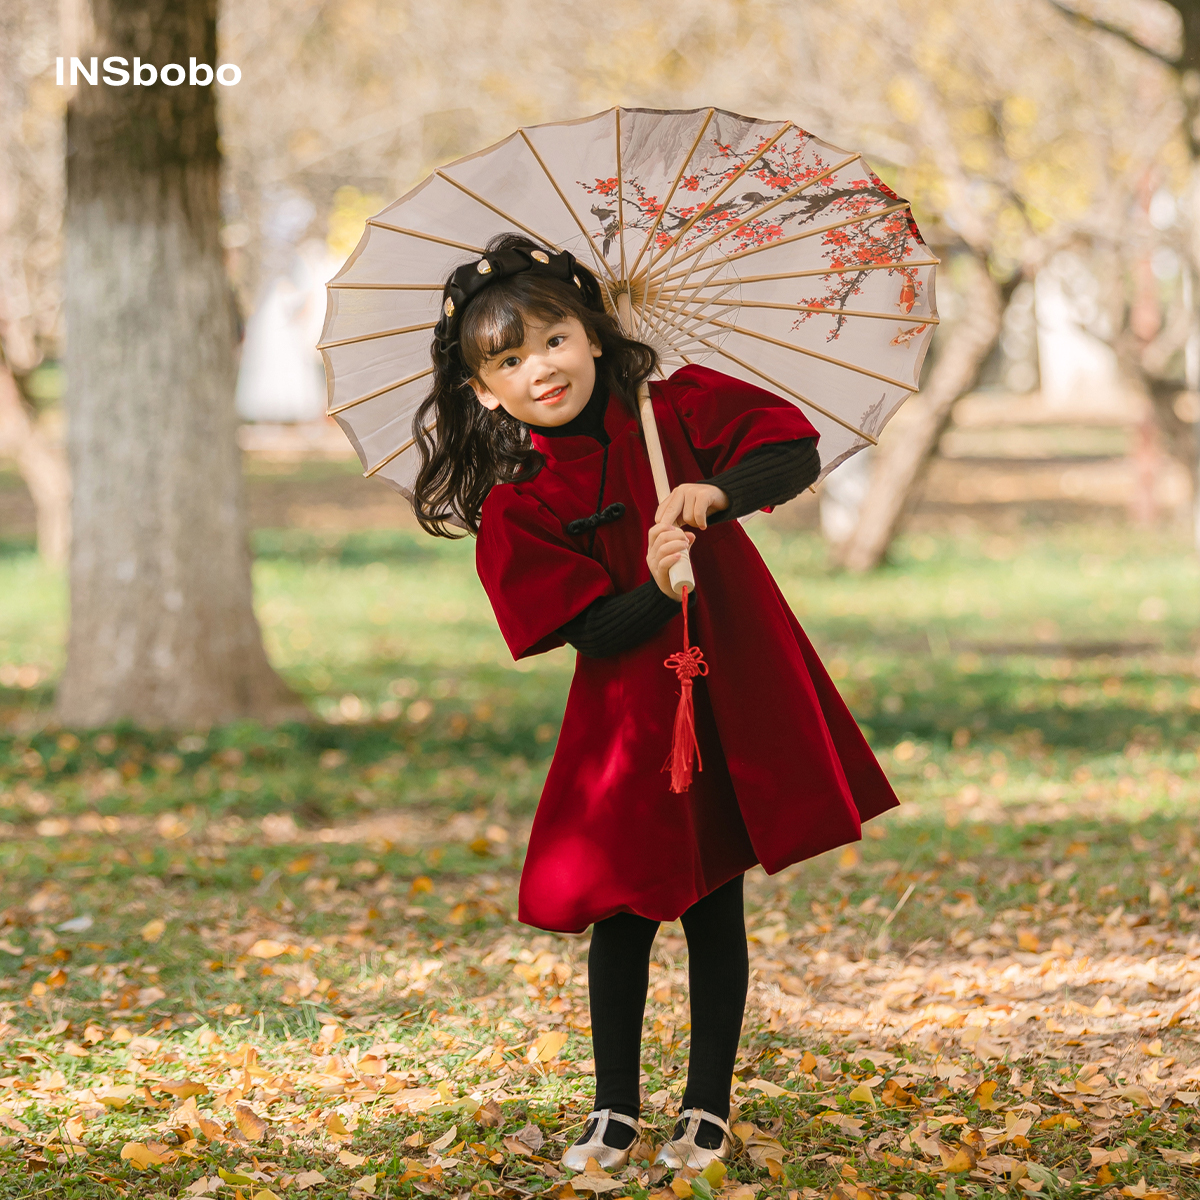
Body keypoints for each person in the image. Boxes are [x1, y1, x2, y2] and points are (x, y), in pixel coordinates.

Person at [411, 235, 899, 1172]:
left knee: (717, 898)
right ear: (484, 392)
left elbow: (793, 450)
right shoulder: (523, 501)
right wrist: (653, 583)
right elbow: (588, 631)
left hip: (732, 686)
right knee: (626, 906)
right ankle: (614, 1109)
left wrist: (712, 491)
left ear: (592, 336)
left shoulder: (672, 413)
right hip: (631, 717)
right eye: (506, 362)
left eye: (551, 340)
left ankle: (707, 1107)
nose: (537, 369)